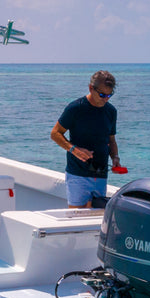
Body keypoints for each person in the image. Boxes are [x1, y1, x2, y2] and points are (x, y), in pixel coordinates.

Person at [50, 70, 122, 209]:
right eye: (102, 95)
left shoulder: (111, 111)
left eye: (109, 95)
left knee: (98, 216)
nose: (105, 99)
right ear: (91, 88)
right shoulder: (76, 108)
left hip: (101, 174)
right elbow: (55, 133)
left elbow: (111, 140)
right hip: (78, 174)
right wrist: (74, 150)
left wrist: (115, 158)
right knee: (77, 217)